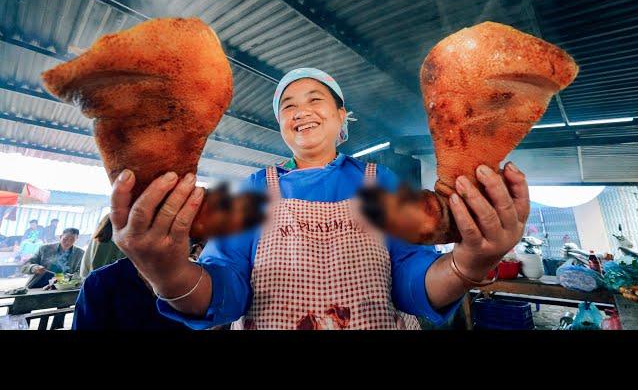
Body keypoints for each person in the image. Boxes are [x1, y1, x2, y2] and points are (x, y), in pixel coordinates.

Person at [108, 67, 530, 330]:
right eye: (287, 105)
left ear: (341, 116)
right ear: (280, 125)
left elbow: (409, 283)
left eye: (315, 100)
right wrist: (167, 273)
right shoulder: (253, 188)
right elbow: (227, 292)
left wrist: (469, 262)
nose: (300, 110)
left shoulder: (377, 181)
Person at [79, 214, 126, 279]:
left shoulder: (97, 238)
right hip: (107, 281)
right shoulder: (119, 241)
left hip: (92, 280)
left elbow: (87, 264)